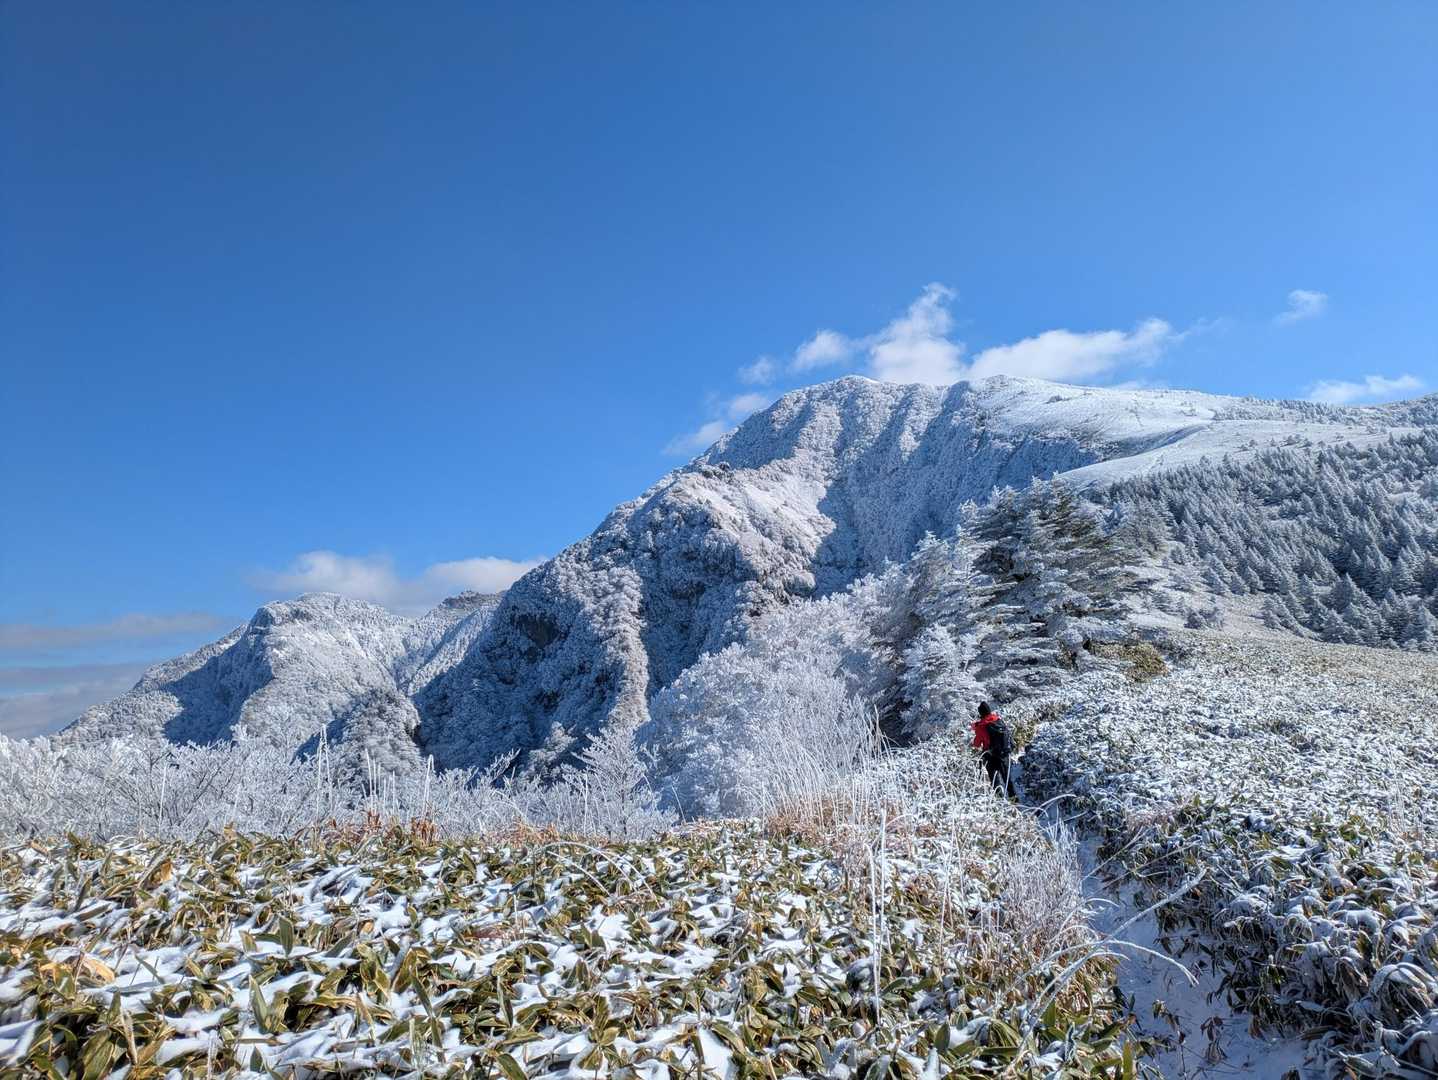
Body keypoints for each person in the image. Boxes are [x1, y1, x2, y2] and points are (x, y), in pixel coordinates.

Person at [971, 700, 1016, 798]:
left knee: (995, 780)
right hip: (1004, 754)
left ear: (980, 713)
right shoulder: (998, 720)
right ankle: (1014, 801)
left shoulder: (981, 727)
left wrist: (976, 730)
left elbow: (976, 744)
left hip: (991, 756)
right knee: (1007, 779)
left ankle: (999, 801)